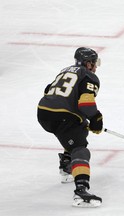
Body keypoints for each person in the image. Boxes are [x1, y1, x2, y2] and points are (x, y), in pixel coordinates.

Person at [37, 47, 103, 207]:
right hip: (63, 116)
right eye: (94, 63)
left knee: (79, 127)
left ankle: (67, 165)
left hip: (43, 112)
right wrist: (96, 118)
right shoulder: (89, 76)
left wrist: (87, 120)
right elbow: (86, 104)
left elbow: (48, 89)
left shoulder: (64, 71)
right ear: (88, 64)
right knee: (80, 148)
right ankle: (81, 191)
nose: (95, 67)